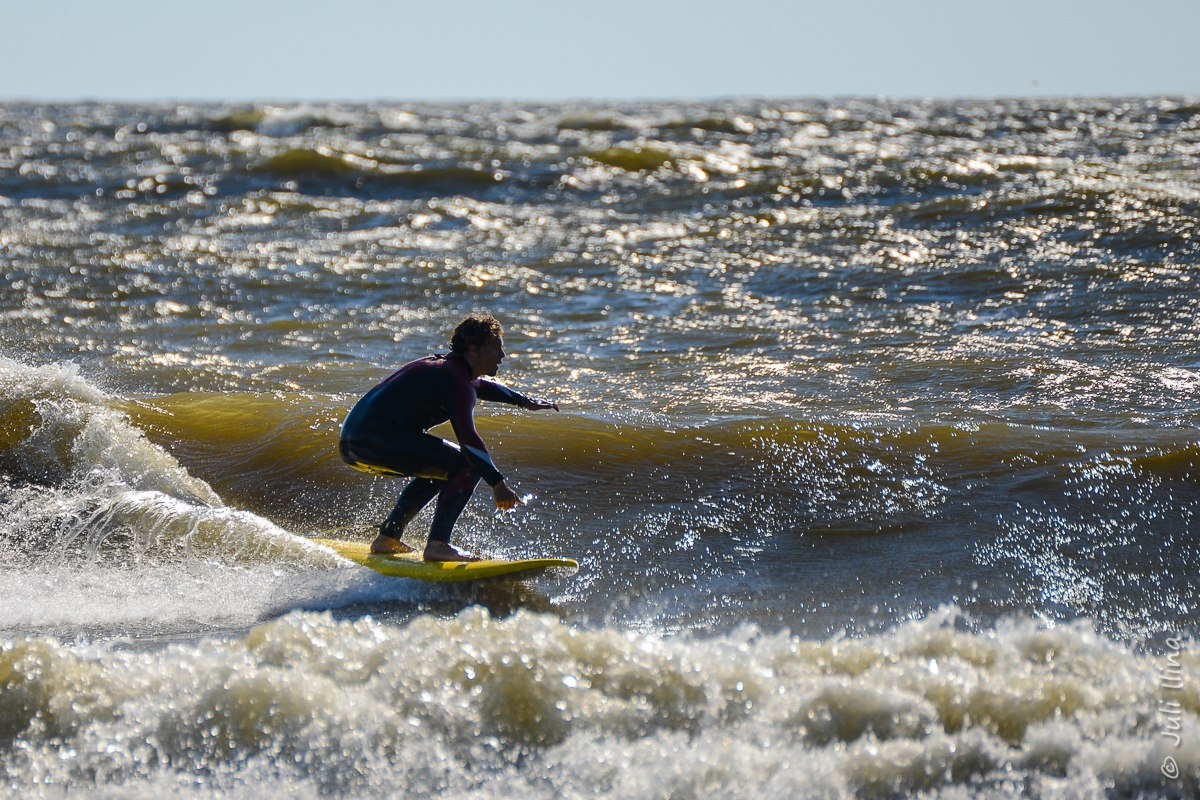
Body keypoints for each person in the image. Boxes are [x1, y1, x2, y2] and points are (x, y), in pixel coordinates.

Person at [339, 314, 559, 561]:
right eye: (496, 347)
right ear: (474, 349)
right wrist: (497, 483)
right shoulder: (456, 379)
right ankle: (438, 545)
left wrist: (524, 401)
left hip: (355, 441)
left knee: (443, 468)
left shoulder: (449, 370)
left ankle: (388, 538)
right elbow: (468, 439)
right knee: (465, 463)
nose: (502, 355)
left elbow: (484, 387)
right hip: (375, 440)